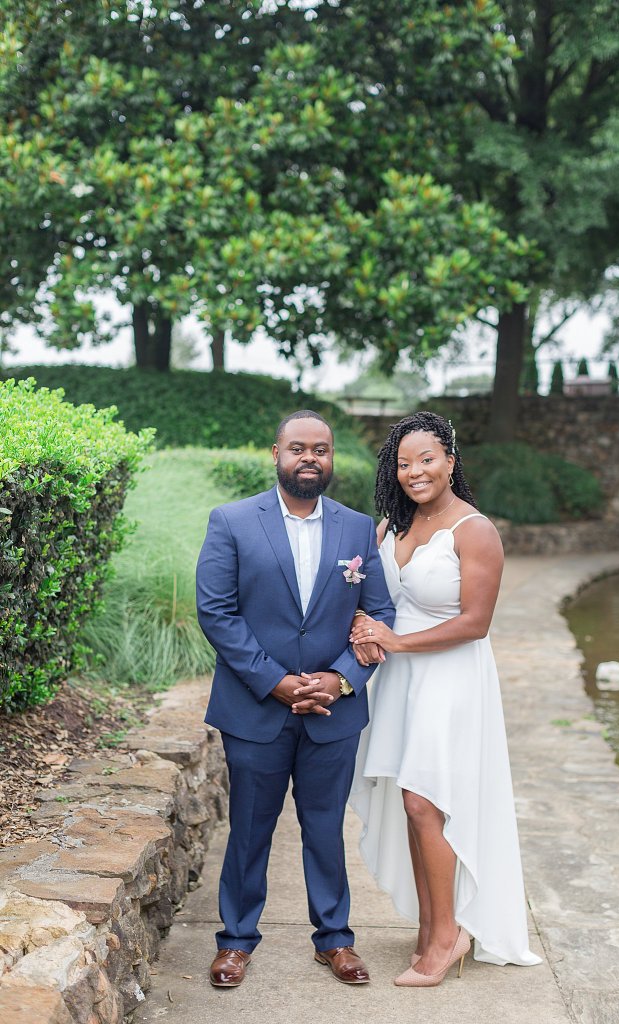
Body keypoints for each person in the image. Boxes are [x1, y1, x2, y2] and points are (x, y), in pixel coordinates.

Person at [196, 410, 395, 989]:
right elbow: (216, 611)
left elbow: (379, 612)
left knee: (326, 828)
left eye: (321, 449)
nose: (310, 458)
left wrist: (341, 678)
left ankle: (335, 939)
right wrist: (275, 682)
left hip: (334, 710)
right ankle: (235, 941)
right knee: (249, 828)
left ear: (331, 458)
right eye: (298, 448)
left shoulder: (357, 528)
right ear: (276, 454)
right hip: (255, 707)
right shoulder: (232, 521)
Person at [348, 411, 541, 987]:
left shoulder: (475, 530)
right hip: (400, 680)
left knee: (425, 801)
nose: (415, 472)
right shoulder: (391, 527)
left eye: (427, 459)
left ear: (451, 462)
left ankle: (449, 934)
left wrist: (397, 641)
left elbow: (476, 623)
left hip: (450, 676)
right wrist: (364, 627)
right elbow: (375, 599)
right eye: (404, 463)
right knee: (411, 804)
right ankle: (432, 927)